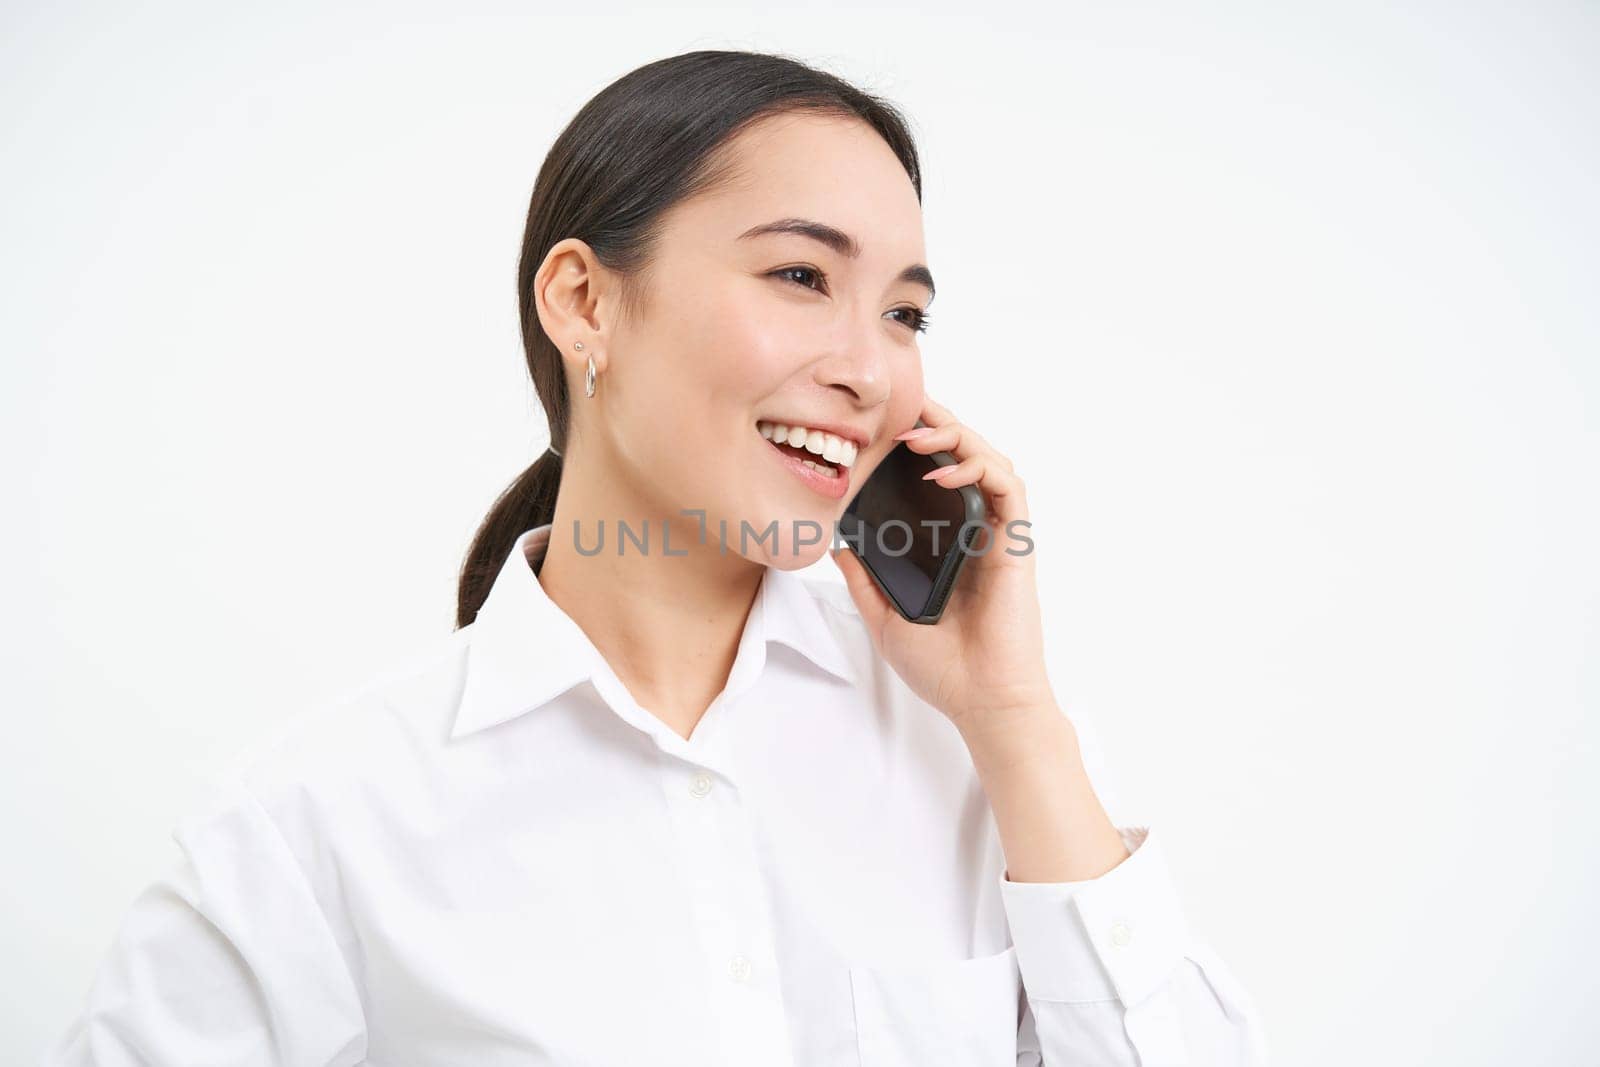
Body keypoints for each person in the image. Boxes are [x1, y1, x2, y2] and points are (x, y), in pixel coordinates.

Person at [42, 49, 1267, 1066]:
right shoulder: (314, 827)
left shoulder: (988, 759)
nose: (870, 367)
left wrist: (1012, 718)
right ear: (583, 300)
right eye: (801, 275)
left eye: (904, 312)